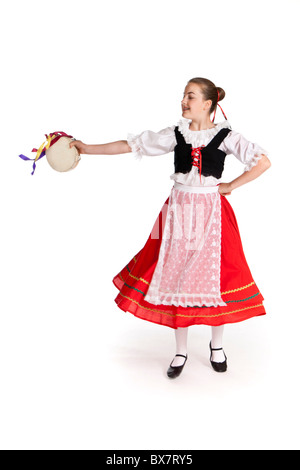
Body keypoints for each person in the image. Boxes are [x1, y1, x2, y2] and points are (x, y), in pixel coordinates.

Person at [70, 77, 271, 378]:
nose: (183, 101)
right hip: (177, 211)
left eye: (190, 96)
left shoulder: (226, 136)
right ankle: (181, 350)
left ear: (207, 103)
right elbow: (130, 145)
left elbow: (262, 161)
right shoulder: (176, 134)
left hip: (211, 213)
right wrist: (87, 148)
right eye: (183, 96)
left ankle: (217, 346)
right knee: (176, 274)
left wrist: (230, 185)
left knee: (218, 278)